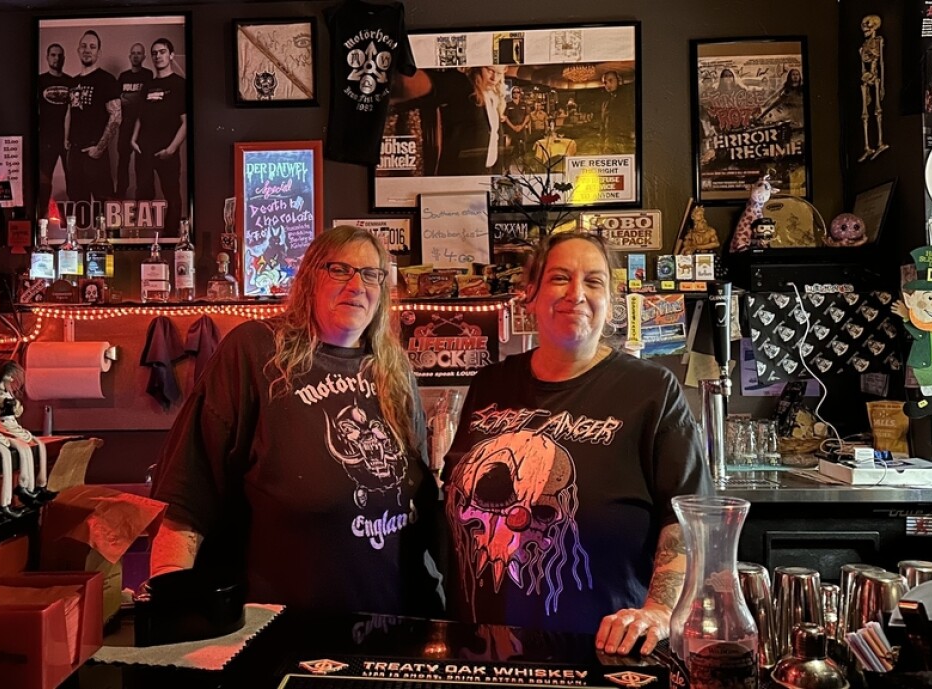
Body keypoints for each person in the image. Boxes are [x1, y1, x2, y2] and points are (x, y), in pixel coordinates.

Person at [148, 225, 441, 616]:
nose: (357, 285)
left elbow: (416, 502)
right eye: (340, 270)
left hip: (392, 623)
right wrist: (170, 605)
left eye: (371, 274)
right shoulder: (255, 351)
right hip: (281, 629)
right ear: (309, 279)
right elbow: (189, 490)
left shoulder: (394, 371)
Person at [442, 231, 711, 655]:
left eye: (593, 281)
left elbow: (687, 514)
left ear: (611, 302)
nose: (576, 293)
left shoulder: (652, 390)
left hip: (608, 649)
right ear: (530, 294)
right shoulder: (489, 384)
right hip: (484, 648)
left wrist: (659, 611)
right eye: (559, 278)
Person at [133, 38, 188, 232]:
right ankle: (142, 241)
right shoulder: (148, 85)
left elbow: (186, 122)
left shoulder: (181, 84)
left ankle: (171, 240)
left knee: (172, 196)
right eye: (155, 53)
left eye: (162, 52)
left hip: (167, 149)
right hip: (144, 148)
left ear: (171, 55)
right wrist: (133, 139)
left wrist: (171, 149)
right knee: (143, 195)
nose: (158, 56)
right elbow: (140, 116)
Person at [65, 30, 121, 202]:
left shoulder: (107, 80)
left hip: (94, 153)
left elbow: (116, 117)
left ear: (99, 52)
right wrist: (66, 139)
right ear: (78, 50)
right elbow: (70, 112)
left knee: (104, 207)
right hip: (74, 153)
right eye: (83, 46)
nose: (87, 50)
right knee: (77, 204)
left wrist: (99, 149)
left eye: (92, 46)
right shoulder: (73, 82)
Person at [37, 43, 71, 215]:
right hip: (45, 139)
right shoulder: (39, 81)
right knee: (43, 183)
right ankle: (41, 220)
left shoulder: (70, 82)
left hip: (67, 139)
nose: (56, 58)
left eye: (60, 55)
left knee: (73, 181)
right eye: (53, 55)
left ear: (64, 58)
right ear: (47, 57)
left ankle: (75, 223)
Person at [115, 43, 152, 198]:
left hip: (143, 125)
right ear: (130, 57)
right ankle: (120, 195)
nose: (136, 56)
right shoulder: (123, 76)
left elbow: (144, 99)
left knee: (142, 162)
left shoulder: (148, 75)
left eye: (139, 53)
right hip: (126, 124)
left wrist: (128, 98)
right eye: (133, 53)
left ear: (144, 57)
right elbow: (117, 100)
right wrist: (133, 98)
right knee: (122, 161)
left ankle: (142, 198)